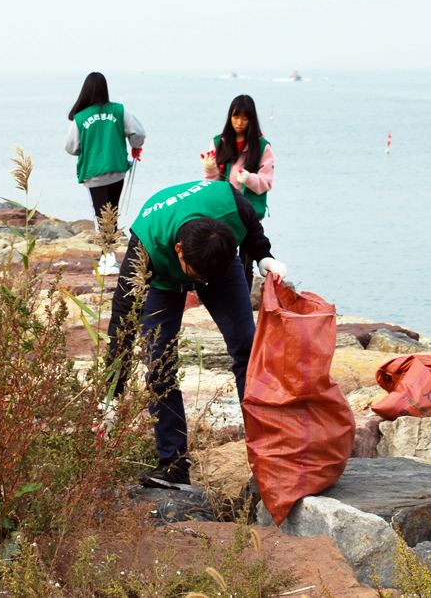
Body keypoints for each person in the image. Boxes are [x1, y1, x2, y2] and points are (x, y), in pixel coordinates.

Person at [104, 179, 287, 489]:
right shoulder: (147, 243)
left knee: (248, 347)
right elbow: (123, 316)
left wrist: (263, 256)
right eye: (198, 278)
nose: (202, 286)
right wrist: (113, 392)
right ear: (179, 251)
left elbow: (252, 226)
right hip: (163, 278)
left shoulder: (231, 204)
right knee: (159, 365)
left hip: (215, 260)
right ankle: (173, 465)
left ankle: (270, 452)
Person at [64, 72, 146, 275]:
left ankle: (108, 260)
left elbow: (71, 147)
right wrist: (134, 146)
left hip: (93, 172)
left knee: (100, 215)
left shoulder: (80, 117)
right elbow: (139, 133)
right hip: (117, 169)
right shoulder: (119, 110)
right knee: (112, 213)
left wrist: (87, 148)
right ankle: (109, 258)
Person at [201, 94, 275, 291]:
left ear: (252, 119)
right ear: (230, 117)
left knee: (246, 262)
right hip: (224, 211)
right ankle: (223, 299)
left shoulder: (262, 146)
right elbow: (212, 183)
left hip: (249, 214)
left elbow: (266, 182)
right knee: (222, 257)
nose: (239, 122)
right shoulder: (219, 142)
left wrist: (249, 178)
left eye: (244, 117)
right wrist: (209, 169)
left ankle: (242, 302)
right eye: (235, 117)